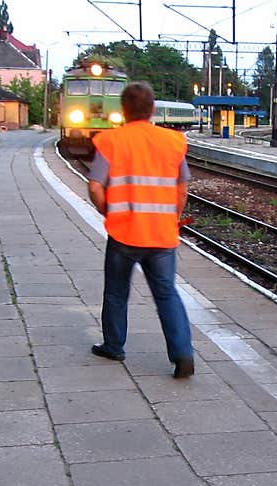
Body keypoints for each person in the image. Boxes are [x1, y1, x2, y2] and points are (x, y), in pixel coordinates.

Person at [87, 81, 194, 378]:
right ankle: (183, 354)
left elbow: (95, 186)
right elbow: (182, 187)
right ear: (152, 110)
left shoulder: (111, 141)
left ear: (123, 110)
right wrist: (172, 216)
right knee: (166, 294)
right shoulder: (172, 141)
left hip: (124, 233)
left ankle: (114, 346)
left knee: (116, 292)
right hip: (161, 234)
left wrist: (106, 209)